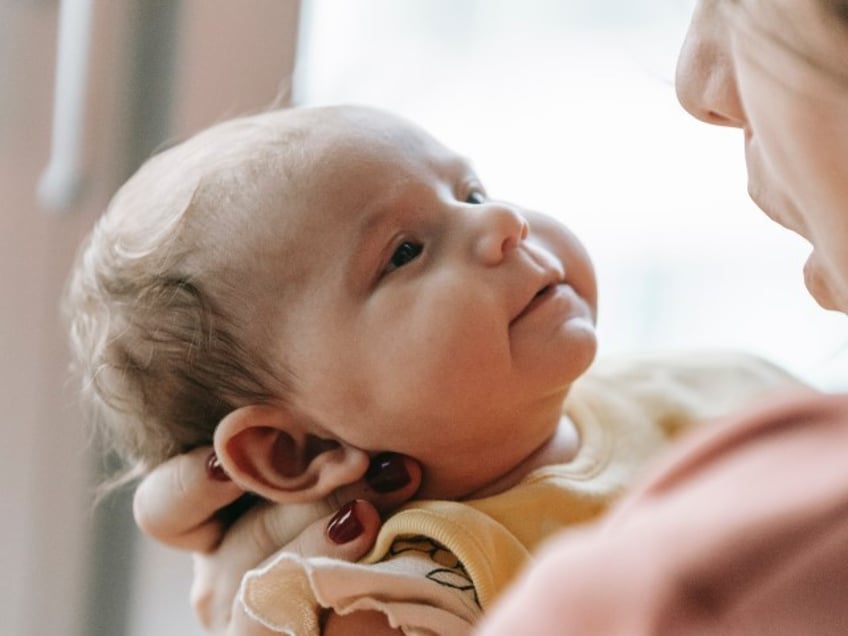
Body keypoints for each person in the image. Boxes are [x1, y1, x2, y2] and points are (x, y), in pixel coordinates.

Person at [131, 0, 848, 634]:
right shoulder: (398, 593)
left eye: (471, 194)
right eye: (405, 252)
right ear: (298, 454)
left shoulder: (715, 381)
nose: (504, 221)